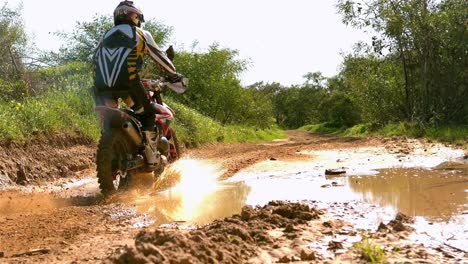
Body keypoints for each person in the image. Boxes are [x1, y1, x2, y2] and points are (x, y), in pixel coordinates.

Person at [92, 0, 184, 169]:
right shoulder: (140, 33)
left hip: (101, 88)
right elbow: (160, 57)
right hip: (128, 84)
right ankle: (150, 158)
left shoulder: (104, 36)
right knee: (147, 114)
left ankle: (115, 151)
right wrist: (174, 75)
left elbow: (94, 61)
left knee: (109, 121)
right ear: (135, 16)